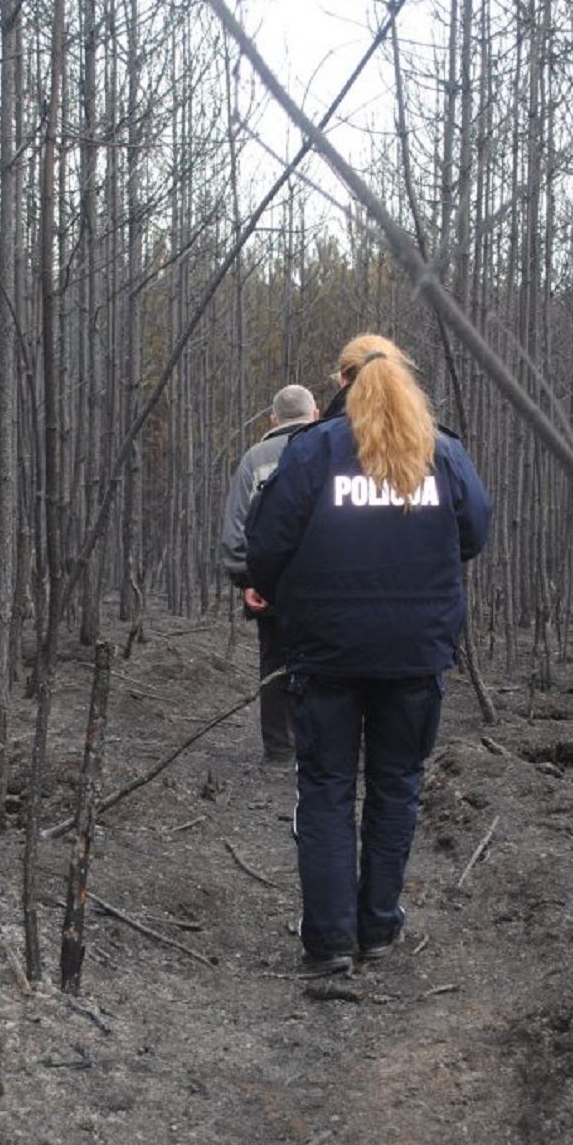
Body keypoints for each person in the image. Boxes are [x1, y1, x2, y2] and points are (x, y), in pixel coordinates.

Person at [245, 334, 491, 976]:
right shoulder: (442, 453)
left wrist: (279, 594)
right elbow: (474, 533)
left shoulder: (313, 451)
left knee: (326, 787)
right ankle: (378, 928)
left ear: (342, 380)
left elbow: (266, 541)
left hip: (326, 651)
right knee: (396, 786)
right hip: (415, 652)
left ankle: (330, 943)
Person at [221, 384, 320, 764]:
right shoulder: (334, 451)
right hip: (327, 585)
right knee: (327, 663)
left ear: (274, 419)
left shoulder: (254, 459)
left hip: (272, 585)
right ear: (314, 415)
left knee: (275, 663)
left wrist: (246, 580)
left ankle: (279, 750)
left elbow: (236, 529)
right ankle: (323, 745)